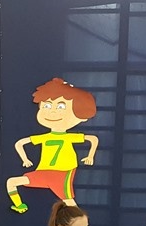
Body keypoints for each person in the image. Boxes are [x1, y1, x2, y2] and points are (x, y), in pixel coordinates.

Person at [6, 78, 98, 213]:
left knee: (70, 204)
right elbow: (20, 143)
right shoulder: (44, 137)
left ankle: (81, 223)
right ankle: (20, 206)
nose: (53, 112)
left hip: (63, 173)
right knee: (11, 182)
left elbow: (93, 139)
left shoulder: (69, 137)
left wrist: (90, 156)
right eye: (47, 106)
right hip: (43, 172)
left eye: (61, 107)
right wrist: (25, 159)